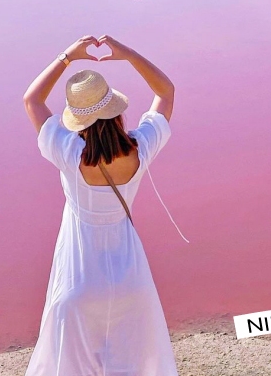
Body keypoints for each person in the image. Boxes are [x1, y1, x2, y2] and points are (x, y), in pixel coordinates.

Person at [22, 35, 179, 375]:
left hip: (78, 281)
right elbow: (166, 92)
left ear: (78, 120)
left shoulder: (69, 154)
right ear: (116, 111)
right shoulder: (140, 149)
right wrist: (128, 54)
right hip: (131, 280)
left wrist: (68, 56)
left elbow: (32, 100)